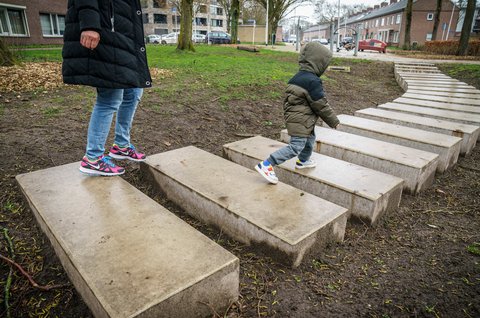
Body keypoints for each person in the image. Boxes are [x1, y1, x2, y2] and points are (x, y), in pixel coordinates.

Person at [62, 0, 152, 176]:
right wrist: (89, 24)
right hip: (105, 31)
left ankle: (121, 145)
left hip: (124, 35)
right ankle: (93, 158)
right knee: (110, 97)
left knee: (134, 90)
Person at [255, 42, 339, 184]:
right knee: (296, 146)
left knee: (309, 139)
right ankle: (267, 164)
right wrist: (333, 121)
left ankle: (303, 161)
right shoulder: (313, 81)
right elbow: (321, 105)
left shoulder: (298, 77)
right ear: (319, 62)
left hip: (299, 118)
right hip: (301, 120)